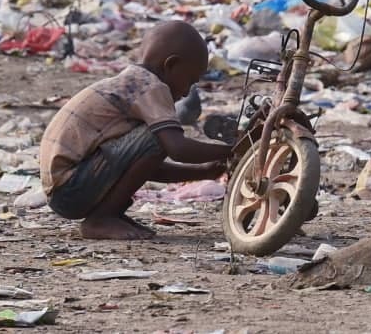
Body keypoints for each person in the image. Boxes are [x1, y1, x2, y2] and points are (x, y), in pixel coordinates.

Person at [39, 20, 233, 240]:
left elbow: (142, 166)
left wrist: (205, 172)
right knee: (159, 138)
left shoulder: (132, 83)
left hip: (66, 190)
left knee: (157, 139)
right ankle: (102, 218)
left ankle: (108, 215)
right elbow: (177, 149)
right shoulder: (151, 87)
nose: (188, 91)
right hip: (71, 187)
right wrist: (233, 149)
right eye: (189, 80)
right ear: (171, 65)